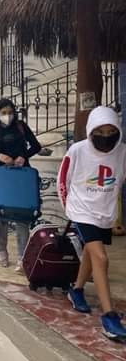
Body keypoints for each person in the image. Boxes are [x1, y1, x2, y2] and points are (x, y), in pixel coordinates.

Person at [58, 106, 126, 341]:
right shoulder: (77, 150)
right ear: (91, 130)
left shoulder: (122, 152)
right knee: (101, 258)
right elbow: (63, 178)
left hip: (105, 212)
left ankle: (76, 290)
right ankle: (109, 316)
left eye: (110, 131)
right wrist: (69, 208)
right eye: (100, 130)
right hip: (82, 210)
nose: (106, 136)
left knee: (90, 251)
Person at [0, 98, 42, 270]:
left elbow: (36, 145)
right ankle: (2, 251)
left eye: (10, 112)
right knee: (1, 216)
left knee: (23, 215)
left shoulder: (21, 127)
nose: (8, 116)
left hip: (22, 176)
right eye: (4, 113)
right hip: (1, 177)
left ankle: (22, 256)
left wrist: (24, 156)